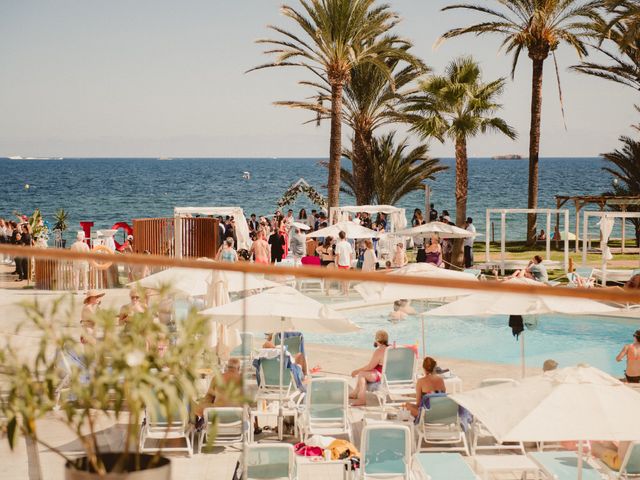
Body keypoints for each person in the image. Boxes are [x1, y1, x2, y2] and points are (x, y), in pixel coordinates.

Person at [349, 330, 389, 406]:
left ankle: (361, 399)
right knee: (364, 373)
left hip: (381, 376)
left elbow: (370, 367)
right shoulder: (391, 348)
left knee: (362, 374)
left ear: (377, 339)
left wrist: (356, 371)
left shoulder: (379, 351)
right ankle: (355, 393)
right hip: (387, 375)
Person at [334, 231, 353, 295]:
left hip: (341, 263)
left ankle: (344, 291)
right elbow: (350, 254)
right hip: (347, 263)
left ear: (339, 237)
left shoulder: (338, 244)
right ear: (345, 236)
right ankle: (346, 290)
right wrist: (350, 263)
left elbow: (338, 255)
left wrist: (336, 263)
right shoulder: (348, 244)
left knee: (342, 278)